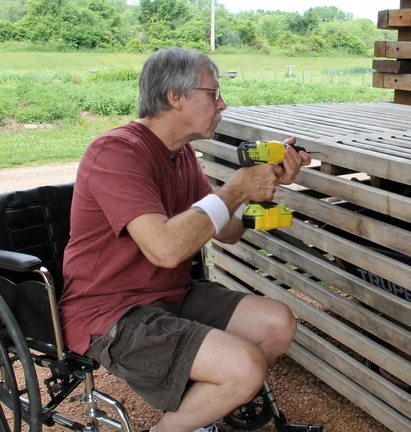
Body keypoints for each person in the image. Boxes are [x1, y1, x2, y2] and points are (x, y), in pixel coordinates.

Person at [58, 47, 311, 432]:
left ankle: (200, 414)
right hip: (110, 311)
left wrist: (258, 187)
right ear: (175, 97)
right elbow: (166, 249)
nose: (222, 103)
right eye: (214, 93)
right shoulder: (116, 152)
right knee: (244, 366)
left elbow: (226, 232)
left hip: (170, 296)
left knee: (278, 323)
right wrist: (235, 191)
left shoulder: (181, 154)